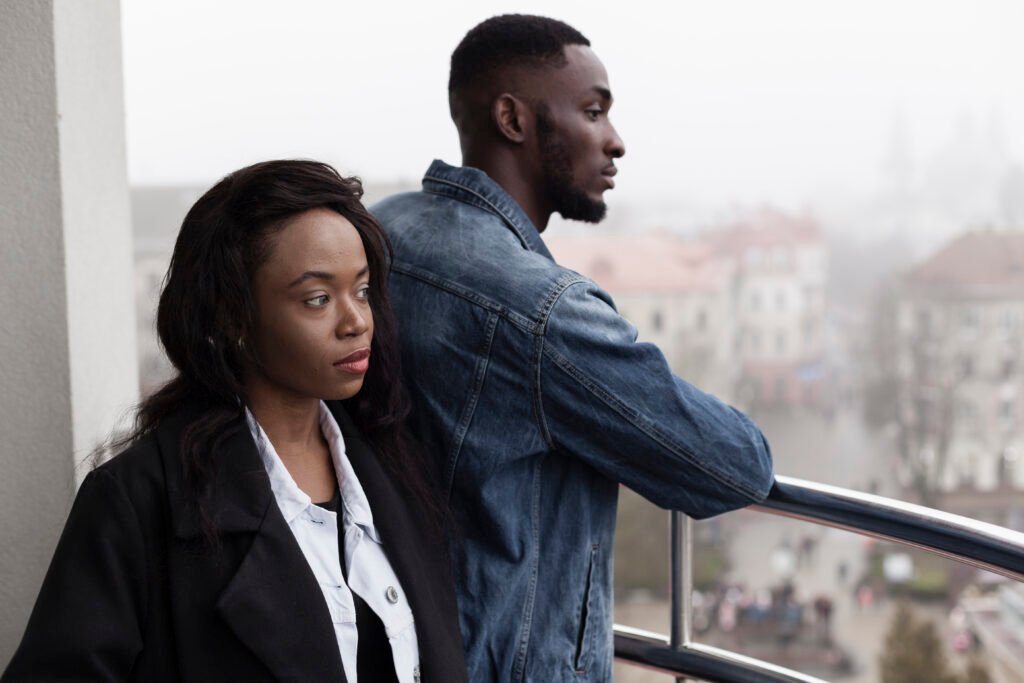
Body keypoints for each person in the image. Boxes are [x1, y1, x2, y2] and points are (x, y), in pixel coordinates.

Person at [372, 14, 775, 682]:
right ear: (513, 118)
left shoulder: (386, 229)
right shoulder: (543, 312)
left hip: (403, 648)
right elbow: (736, 465)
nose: (615, 142)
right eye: (593, 111)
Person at [3, 161, 467, 683]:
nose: (356, 320)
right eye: (318, 299)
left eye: (361, 291)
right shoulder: (138, 502)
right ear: (234, 318)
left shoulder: (393, 463)